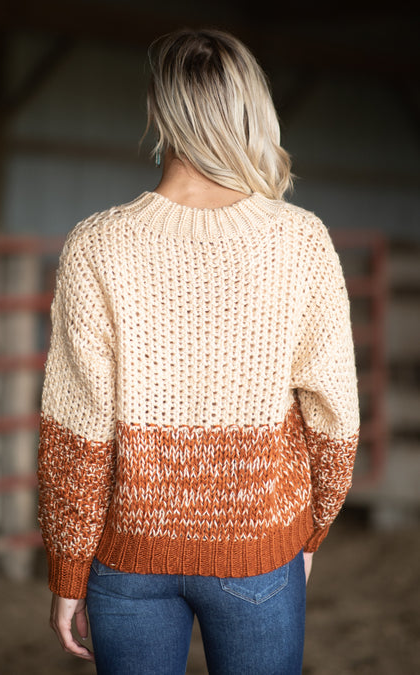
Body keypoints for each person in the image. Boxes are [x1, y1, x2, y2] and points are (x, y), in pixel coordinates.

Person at [37, 28, 360, 675]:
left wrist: (67, 570)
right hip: (257, 550)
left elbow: (78, 425)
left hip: (129, 562)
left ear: (159, 113)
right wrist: (312, 529)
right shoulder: (300, 239)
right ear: (250, 113)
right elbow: (335, 414)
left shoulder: (97, 243)